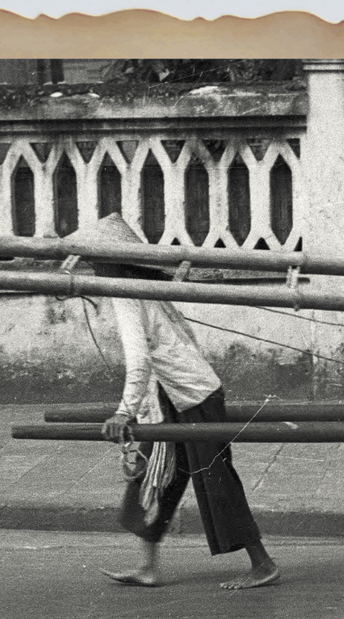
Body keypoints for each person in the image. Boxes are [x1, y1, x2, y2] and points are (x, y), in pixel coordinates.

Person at [74, 214, 279, 590]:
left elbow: (140, 359)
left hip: (195, 396)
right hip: (173, 397)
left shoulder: (127, 295)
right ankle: (148, 566)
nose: (90, 266)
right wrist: (146, 407)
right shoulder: (144, 285)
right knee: (157, 476)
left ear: (107, 262)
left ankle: (262, 563)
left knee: (216, 481)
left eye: (92, 259)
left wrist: (124, 411)